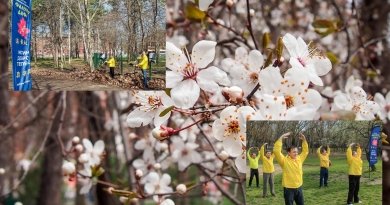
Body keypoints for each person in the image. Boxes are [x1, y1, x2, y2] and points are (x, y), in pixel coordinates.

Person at [273, 132, 308, 205]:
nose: (296, 153)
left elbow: (305, 151)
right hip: (289, 189)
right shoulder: (284, 161)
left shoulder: (299, 159)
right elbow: (276, 151)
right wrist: (280, 138)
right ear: (289, 153)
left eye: (297, 152)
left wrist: (304, 141)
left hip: (299, 188)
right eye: (294, 152)